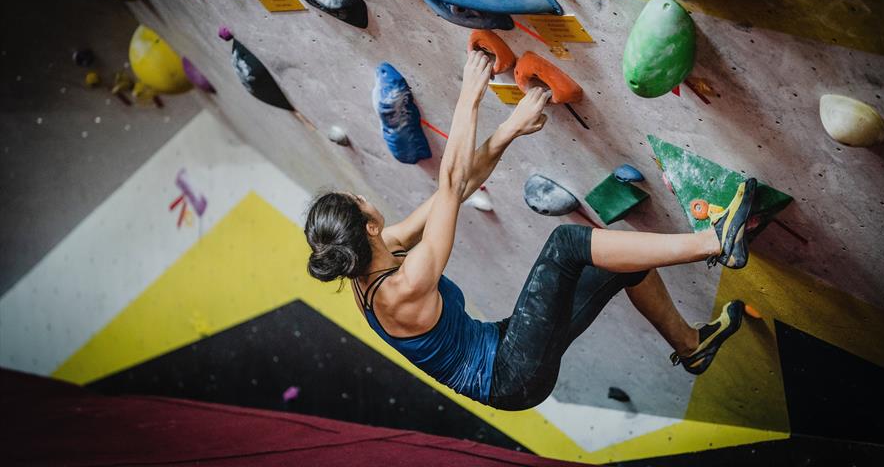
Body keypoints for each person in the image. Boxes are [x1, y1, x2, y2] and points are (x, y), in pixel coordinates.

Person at [303, 51, 755, 411]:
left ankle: (692, 346)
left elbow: (460, 189)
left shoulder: (382, 250)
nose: (364, 197)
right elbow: (451, 180)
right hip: (510, 376)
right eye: (357, 200)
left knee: (621, 264)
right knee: (567, 245)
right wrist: (470, 94)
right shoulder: (402, 287)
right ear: (368, 224)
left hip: (505, 346)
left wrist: (509, 131)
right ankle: (715, 241)